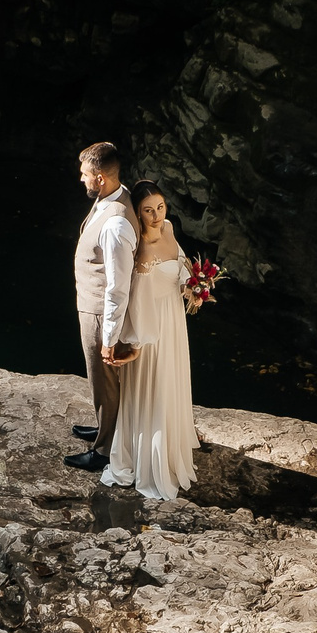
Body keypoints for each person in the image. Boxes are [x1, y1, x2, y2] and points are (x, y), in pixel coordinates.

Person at [104, 180, 199, 499]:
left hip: (174, 320)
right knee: (155, 387)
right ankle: (150, 458)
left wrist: (193, 286)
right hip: (150, 330)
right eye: (148, 210)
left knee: (172, 382)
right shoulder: (139, 246)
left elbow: (181, 263)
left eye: (160, 207)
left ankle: (172, 444)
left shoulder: (170, 228)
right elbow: (137, 299)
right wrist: (135, 343)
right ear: (138, 214)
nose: (157, 215)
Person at [66, 142, 138, 474]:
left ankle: (107, 450)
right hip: (90, 306)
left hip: (100, 312)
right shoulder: (107, 200)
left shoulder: (117, 223)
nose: (81, 180)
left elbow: (117, 286)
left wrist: (109, 336)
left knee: (106, 379)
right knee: (98, 379)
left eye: (84, 176)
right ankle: (102, 426)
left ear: (100, 178)